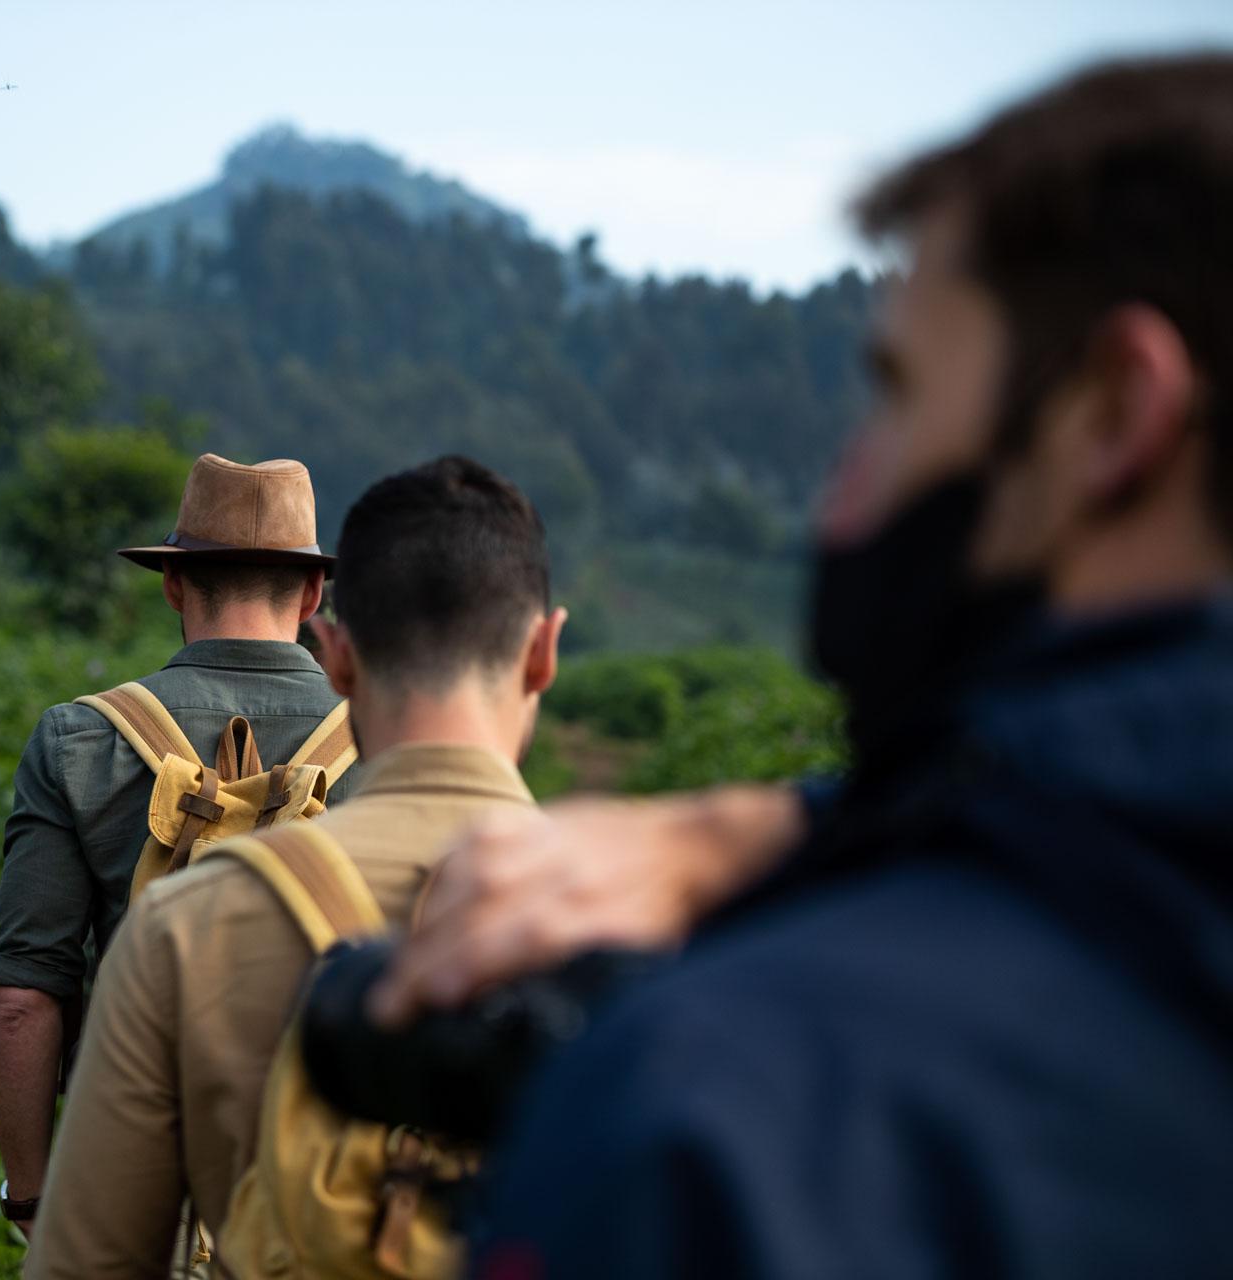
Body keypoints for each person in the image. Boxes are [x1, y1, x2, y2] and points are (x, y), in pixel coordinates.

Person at [391, 54, 1233, 1277]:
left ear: (1112, 413)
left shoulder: (726, 1111)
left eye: (899, 395)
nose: (846, 490)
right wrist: (783, 830)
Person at [25, 457, 568, 1277]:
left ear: (341, 655)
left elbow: (22, 1001)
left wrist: (27, 1194)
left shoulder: (172, 924)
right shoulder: (642, 931)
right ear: (544, 653)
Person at [0, 452, 361, 1237]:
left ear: (174, 584)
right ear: (313, 594)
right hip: (324, 1198)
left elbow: (20, 1000)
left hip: (129, 1192)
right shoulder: (387, 745)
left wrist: (35, 1198)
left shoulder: (79, 739)